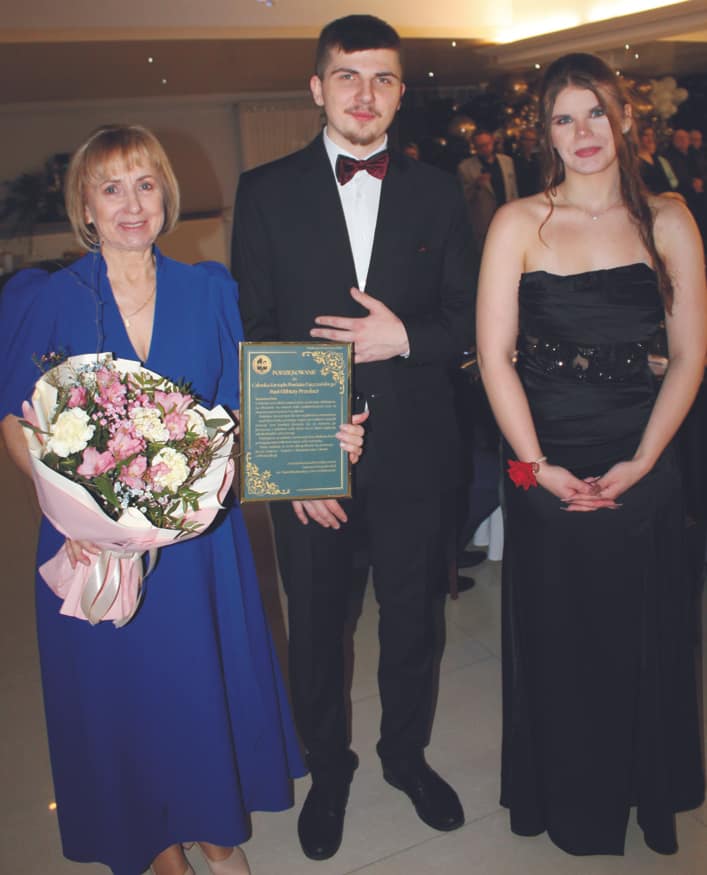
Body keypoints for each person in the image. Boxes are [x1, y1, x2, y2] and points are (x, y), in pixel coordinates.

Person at [0, 124, 366, 875]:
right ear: (85, 206)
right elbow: (17, 419)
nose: (132, 203)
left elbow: (243, 414)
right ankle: (156, 844)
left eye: (145, 184)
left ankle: (212, 831)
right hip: (91, 548)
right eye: (111, 188)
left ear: (165, 195)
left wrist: (321, 444)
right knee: (121, 700)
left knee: (194, 693)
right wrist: (70, 511)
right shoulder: (46, 298)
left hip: (196, 548)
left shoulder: (210, 291)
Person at [232, 14, 474, 862]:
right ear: (317, 87)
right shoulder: (264, 191)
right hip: (307, 455)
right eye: (347, 75)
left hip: (415, 451)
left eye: (382, 79)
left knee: (412, 620)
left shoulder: (439, 193)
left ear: (400, 94)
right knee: (315, 626)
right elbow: (256, 329)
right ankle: (327, 768)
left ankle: (404, 757)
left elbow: (469, 321)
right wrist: (294, 462)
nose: (364, 94)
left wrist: (403, 337)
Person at [476, 53, 706, 856]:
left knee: (642, 633)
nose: (582, 132)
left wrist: (641, 462)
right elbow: (494, 357)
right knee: (562, 638)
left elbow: (688, 356)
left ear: (625, 118)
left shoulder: (668, 220)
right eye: (563, 118)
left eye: (596, 112)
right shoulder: (517, 223)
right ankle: (569, 798)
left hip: (643, 454)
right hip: (541, 461)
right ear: (544, 133)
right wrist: (536, 468)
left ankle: (646, 786)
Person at [457, 128, 518, 260]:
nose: (485, 148)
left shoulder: (507, 161)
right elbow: (464, 199)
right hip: (484, 222)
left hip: (508, 216)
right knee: (489, 258)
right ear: (474, 147)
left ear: (492, 142)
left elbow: (513, 190)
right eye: (480, 146)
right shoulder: (465, 167)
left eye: (487, 144)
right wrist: (476, 185)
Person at [637, 125, 681, 196]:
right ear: (639, 138)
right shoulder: (636, 160)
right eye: (646, 135)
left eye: (652, 135)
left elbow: (671, 182)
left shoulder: (658, 159)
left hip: (667, 196)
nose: (650, 139)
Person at [514, 127, 542, 197]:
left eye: (532, 140)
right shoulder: (514, 159)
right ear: (521, 141)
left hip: (537, 195)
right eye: (526, 139)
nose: (529, 143)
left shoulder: (539, 159)